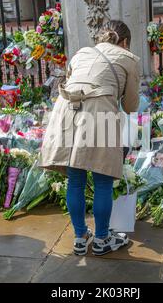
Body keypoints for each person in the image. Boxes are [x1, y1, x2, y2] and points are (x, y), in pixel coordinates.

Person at [39, 20, 140, 256]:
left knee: (75, 180)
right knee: (103, 179)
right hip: (99, 114)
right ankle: (103, 239)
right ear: (125, 42)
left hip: (66, 112)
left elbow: (74, 80)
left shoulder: (81, 53)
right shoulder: (129, 59)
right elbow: (131, 105)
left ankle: (80, 237)